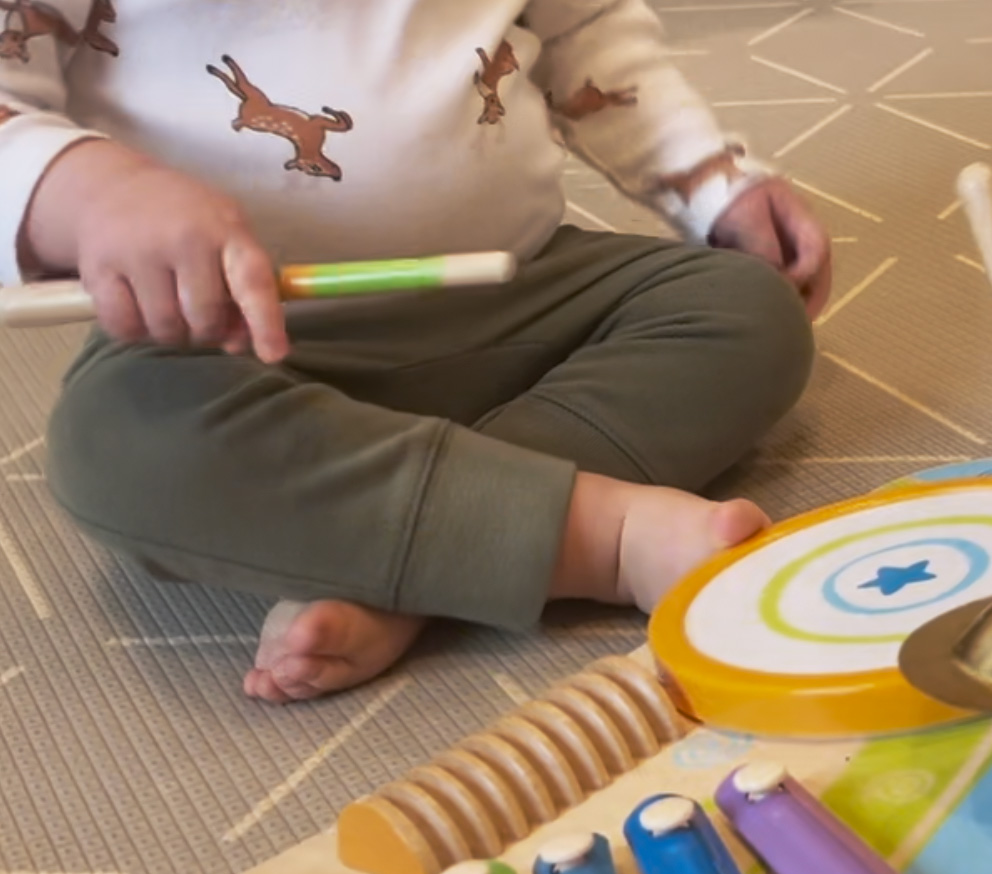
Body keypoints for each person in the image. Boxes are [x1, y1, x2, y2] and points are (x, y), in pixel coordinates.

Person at [0, 0, 832, 704]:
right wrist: (92, 192)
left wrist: (711, 180)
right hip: (241, 339)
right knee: (119, 441)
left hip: (522, 290)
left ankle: (421, 550)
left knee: (745, 307)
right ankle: (597, 538)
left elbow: (590, 34)